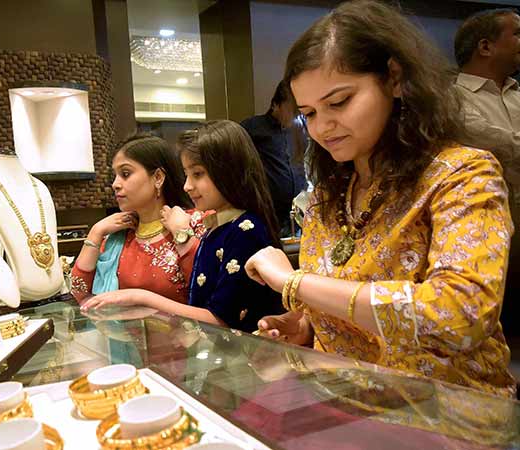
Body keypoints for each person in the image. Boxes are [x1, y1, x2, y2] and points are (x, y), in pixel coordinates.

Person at [244, 0, 516, 398]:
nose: (323, 126)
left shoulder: (462, 173)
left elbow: (461, 314)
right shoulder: (329, 194)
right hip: (346, 403)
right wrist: (305, 324)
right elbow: (345, 302)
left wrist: (294, 282)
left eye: (339, 102)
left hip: (448, 410)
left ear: (394, 79)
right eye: (310, 113)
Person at [81, 120, 285, 332]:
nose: (187, 186)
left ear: (228, 171)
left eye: (198, 174)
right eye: (186, 174)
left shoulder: (240, 229)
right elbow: (81, 292)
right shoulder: (215, 226)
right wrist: (96, 232)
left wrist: (141, 298)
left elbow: (222, 319)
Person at [70, 133, 204, 305]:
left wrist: (182, 234)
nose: (115, 184)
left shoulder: (194, 223)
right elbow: (79, 292)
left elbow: (207, 289)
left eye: (125, 174)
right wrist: (96, 232)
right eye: (115, 176)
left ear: (158, 177)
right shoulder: (120, 236)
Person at [454, 9, 520, 337]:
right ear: (485, 46)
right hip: (492, 221)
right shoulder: (451, 99)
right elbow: (496, 145)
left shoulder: (517, 94)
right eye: (517, 34)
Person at [241, 81, 308, 237]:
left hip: (296, 213)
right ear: (276, 105)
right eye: (291, 109)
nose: (295, 114)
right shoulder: (253, 127)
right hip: (267, 212)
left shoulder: (298, 129)